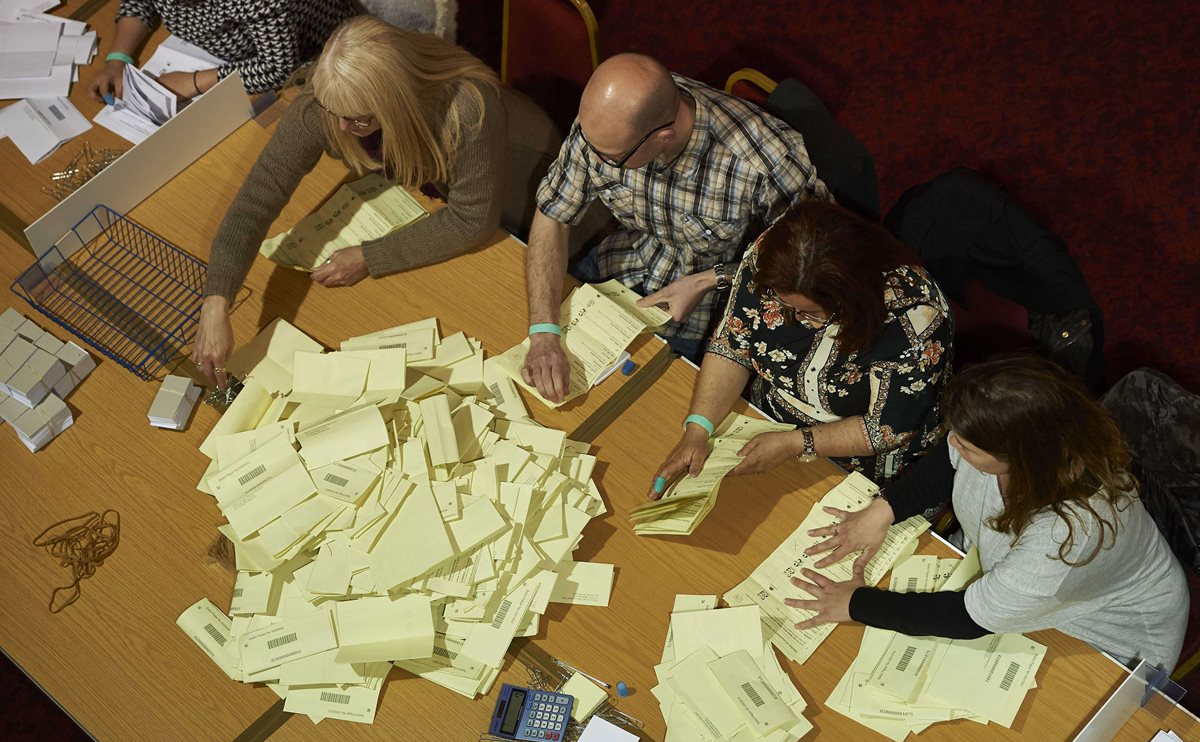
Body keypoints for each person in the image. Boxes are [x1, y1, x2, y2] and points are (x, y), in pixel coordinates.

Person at [191, 16, 562, 387]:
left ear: (394, 103)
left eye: (356, 119)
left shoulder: (467, 108)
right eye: (331, 111)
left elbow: (472, 221)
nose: (338, 129)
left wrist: (370, 256)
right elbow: (256, 199)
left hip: (526, 192)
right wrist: (217, 300)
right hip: (442, 185)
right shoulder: (333, 101)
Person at [789, 354, 1189, 672]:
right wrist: (884, 510)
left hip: (1103, 642)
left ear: (1022, 456)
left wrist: (858, 605)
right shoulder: (1017, 437)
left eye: (969, 446)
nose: (956, 445)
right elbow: (946, 463)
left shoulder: (1067, 538)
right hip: (1013, 582)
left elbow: (968, 618)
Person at [521, 53, 833, 402]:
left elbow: (816, 257)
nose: (592, 160)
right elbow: (553, 212)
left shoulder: (764, 159)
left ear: (663, 136)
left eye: (609, 158)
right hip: (617, 267)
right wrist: (543, 331)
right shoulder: (608, 122)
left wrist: (709, 279)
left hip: (702, 317)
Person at [648, 200, 952, 494]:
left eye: (812, 313)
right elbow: (733, 341)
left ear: (853, 299)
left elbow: (887, 429)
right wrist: (699, 428)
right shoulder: (774, 259)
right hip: (766, 426)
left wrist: (798, 443)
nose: (798, 320)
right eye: (783, 304)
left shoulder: (914, 318)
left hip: (860, 462)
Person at [88, 0, 356, 100]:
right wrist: (117, 59)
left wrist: (193, 82)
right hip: (223, 55)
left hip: (321, 56)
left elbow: (278, 68)